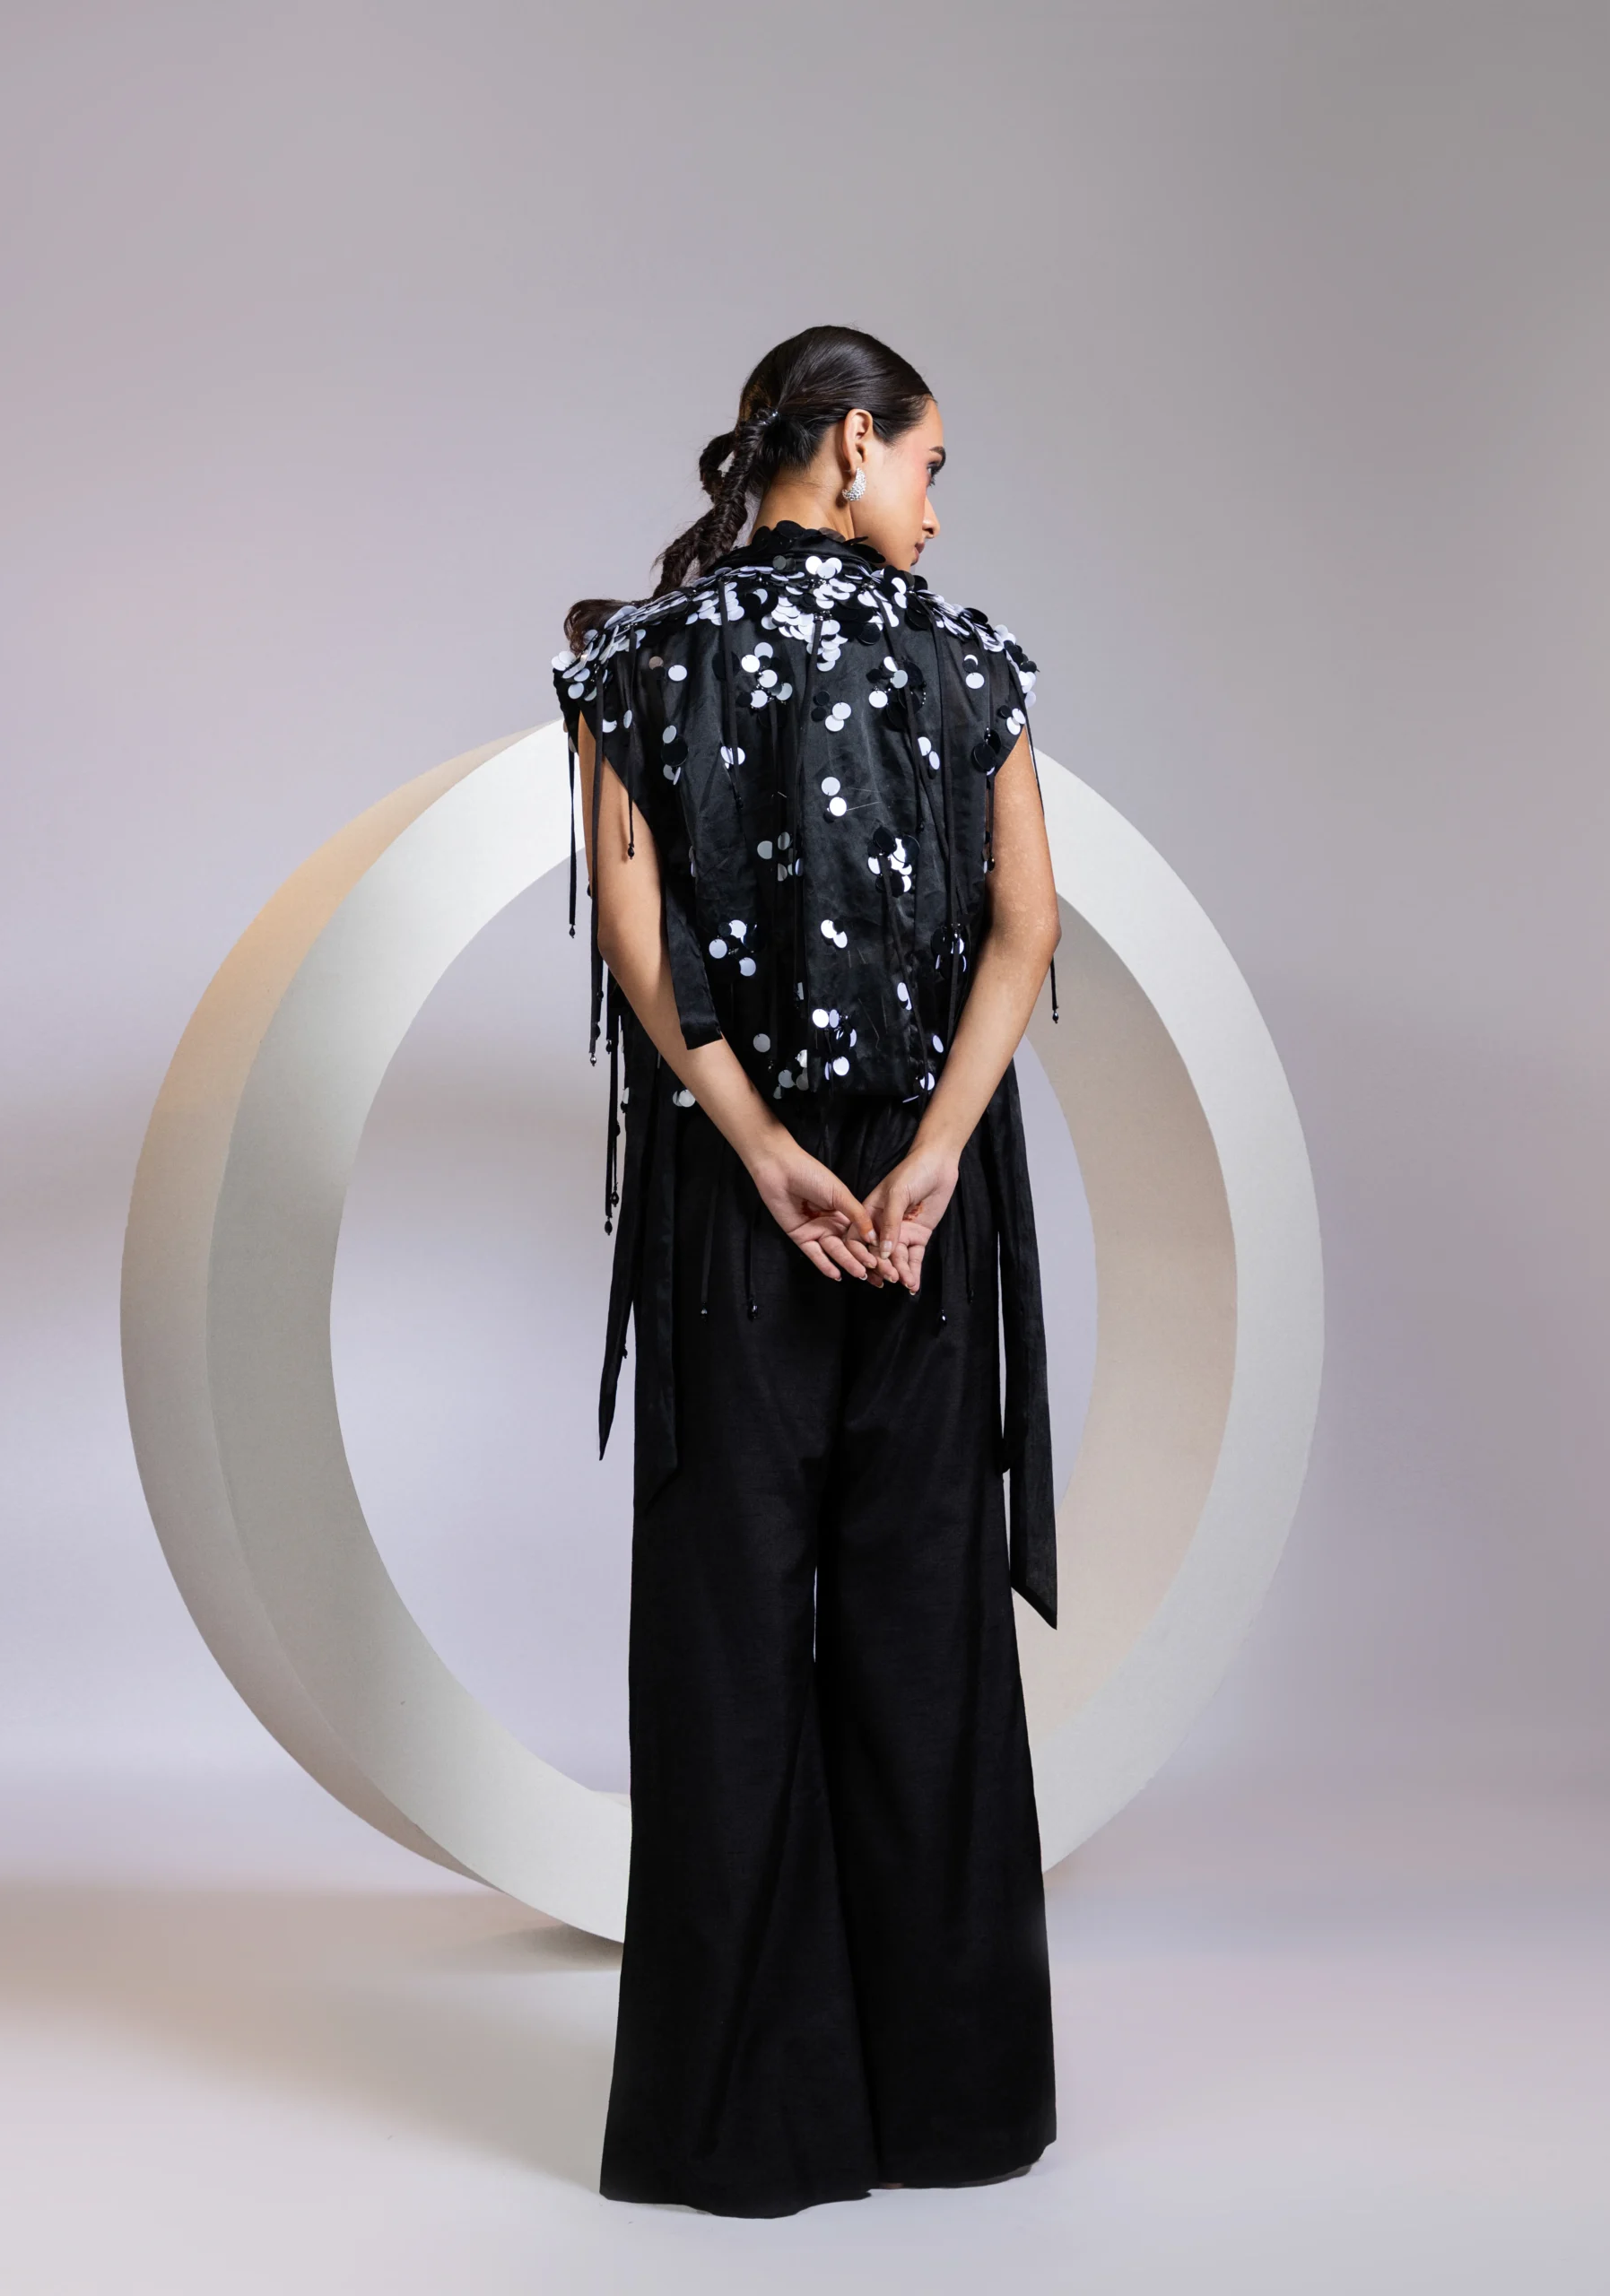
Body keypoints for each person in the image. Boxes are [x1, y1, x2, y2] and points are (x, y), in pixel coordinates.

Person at [553, 325, 1061, 2219]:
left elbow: (638, 936)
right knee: (925, 1619)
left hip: (734, 1199)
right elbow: (1028, 929)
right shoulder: (970, 658)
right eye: (929, 464)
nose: (935, 507)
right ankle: (950, 2106)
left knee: (727, 1627)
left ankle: (740, 2124)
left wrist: (757, 1140)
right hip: (925, 1195)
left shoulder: (633, 654)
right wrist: (929, 1157)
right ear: (851, 444)